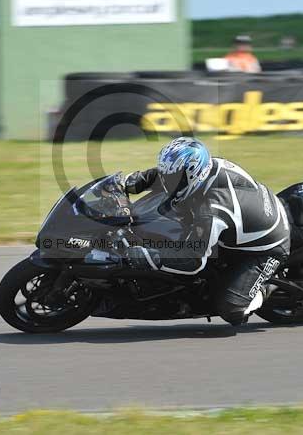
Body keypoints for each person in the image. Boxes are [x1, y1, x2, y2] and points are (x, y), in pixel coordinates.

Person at [119, 136, 290, 325]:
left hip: (268, 247)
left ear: (192, 175)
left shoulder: (211, 210)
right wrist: (136, 181)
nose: (166, 180)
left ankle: (265, 289)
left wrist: (150, 256)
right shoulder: (206, 166)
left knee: (232, 309)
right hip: (251, 218)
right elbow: (167, 174)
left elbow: (193, 261)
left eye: (172, 178)